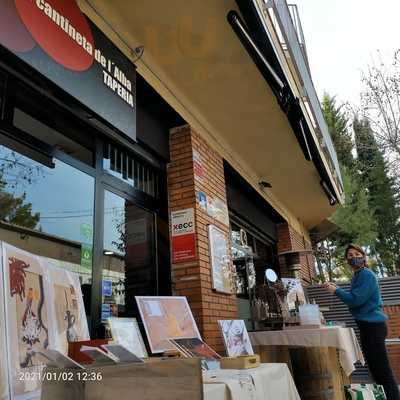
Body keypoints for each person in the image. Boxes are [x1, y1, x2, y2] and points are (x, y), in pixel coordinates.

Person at [324, 244, 400, 400]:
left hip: (373, 327)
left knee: (382, 370)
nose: (353, 257)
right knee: (375, 369)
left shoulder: (366, 275)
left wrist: (336, 291)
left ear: (363, 257)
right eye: (350, 255)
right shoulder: (358, 276)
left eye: (357, 254)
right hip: (367, 326)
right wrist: (338, 289)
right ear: (347, 260)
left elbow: (356, 300)